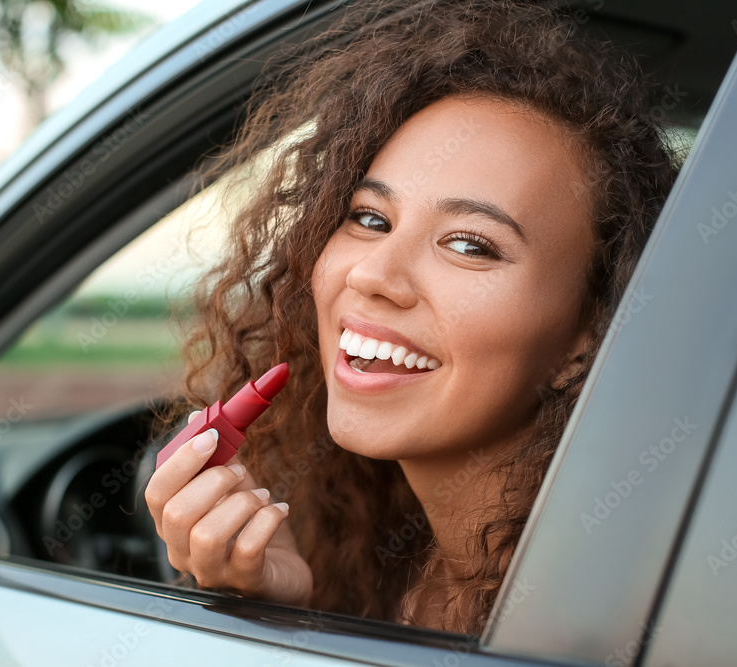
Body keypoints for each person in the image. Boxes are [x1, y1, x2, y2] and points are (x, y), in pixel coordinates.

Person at [144, 0, 681, 636]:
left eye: (470, 245)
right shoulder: (396, 560)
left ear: (586, 336)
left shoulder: (604, 622)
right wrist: (278, 609)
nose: (372, 274)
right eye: (370, 218)